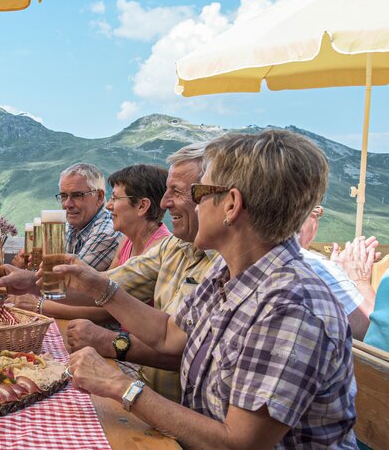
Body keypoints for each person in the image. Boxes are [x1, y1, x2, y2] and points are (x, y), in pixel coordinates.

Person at [64, 130, 356, 448]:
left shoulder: (291, 307)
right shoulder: (228, 270)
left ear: (231, 204)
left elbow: (237, 443)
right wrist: (98, 285)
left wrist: (120, 386)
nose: (188, 203)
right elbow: (169, 333)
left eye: (200, 191)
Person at [0, 142, 217, 403]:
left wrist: (113, 343)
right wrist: (33, 282)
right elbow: (107, 286)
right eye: (64, 196)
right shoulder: (174, 246)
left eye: (178, 192)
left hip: (173, 401)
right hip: (146, 385)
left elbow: (175, 342)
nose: (165, 202)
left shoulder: (223, 263)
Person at [10, 164, 170, 324]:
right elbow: (103, 291)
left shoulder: (157, 248)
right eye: (63, 196)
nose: (108, 205)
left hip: (131, 340)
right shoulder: (127, 239)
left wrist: (35, 296)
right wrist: (29, 279)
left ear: (142, 206)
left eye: (115, 198)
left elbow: (103, 298)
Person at [14, 163, 120, 272]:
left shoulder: (106, 233)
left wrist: (23, 270)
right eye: (63, 196)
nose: (67, 204)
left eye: (77, 195)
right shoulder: (72, 225)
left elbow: (70, 280)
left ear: (99, 197)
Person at [296, 206, 377, 340]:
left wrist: (339, 277)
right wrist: (360, 281)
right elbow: (375, 333)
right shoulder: (319, 268)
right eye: (317, 212)